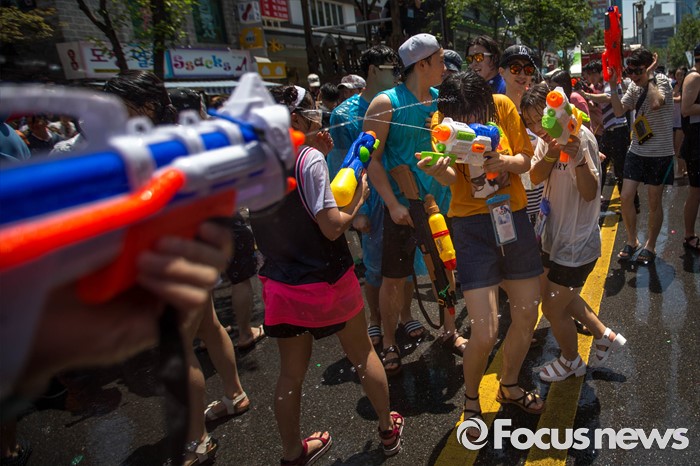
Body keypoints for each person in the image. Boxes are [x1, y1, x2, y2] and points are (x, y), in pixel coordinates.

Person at [251, 84, 404, 463]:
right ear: (294, 119)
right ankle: (387, 429)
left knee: (290, 375)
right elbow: (332, 226)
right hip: (328, 281)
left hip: (282, 284)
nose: (318, 114)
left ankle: (292, 452)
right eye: (310, 110)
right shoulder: (308, 160)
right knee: (362, 354)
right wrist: (359, 199)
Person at [416, 71, 545, 440]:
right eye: (461, 116)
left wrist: (503, 162)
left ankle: (509, 384)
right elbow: (447, 177)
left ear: (486, 103)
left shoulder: (503, 107)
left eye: (475, 113)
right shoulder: (441, 122)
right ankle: (471, 399)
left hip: (512, 217)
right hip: (471, 228)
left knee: (526, 313)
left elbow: (525, 160)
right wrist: (437, 170)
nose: (469, 121)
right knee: (485, 331)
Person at [364, 33, 467, 376]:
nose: (444, 67)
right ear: (422, 64)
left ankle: (450, 331)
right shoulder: (386, 103)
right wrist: (392, 204)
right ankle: (389, 342)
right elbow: (371, 159)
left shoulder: (442, 101)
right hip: (402, 206)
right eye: (440, 61)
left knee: (446, 269)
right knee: (394, 278)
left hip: (440, 203)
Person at [521, 83, 627, 382]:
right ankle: (602, 334)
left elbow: (591, 193)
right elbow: (535, 176)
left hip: (576, 243)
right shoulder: (547, 139)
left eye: (539, 119)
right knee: (556, 297)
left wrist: (578, 158)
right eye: (530, 122)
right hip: (549, 235)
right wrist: (551, 153)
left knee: (553, 307)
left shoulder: (582, 137)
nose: (536, 128)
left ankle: (571, 362)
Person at [608, 48, 674, 265]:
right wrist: (613, 86)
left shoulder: (661, 81)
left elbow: (655, 103)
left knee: (654, 201)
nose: (634, 76)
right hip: (637, 150)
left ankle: (650, 245)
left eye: (639, 71)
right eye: (630, 71)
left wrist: (651, 76)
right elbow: (619, 111)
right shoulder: (633, 87)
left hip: (660, 153)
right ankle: (632, 240)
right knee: (626, 196)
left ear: (649, 68)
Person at [581, 61, 635, 204]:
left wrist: (586, 95)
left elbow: (608, 97)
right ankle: (596, 198)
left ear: (600, 72)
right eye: (588, 75)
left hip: (618, 130)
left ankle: (631, 202)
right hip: (609, 131)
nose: (590, 78)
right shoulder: (599, 86)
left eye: (592, 74)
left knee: (620, 168)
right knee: (601, 164)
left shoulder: (610, 83)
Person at [680, 43, 700, 252]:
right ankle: (689, 234)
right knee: (695, 191)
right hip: (696, 144)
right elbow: (686, 108)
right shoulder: (694, 77)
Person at [673, 67, 688, 179]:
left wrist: (668, 98)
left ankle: (680, 170)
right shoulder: (673, 85)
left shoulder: (686, 86)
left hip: (681, 121)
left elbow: (679, 99)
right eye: (677, 74)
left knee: (678, 148)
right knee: (674, 148)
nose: (678, 77)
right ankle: (684, 168)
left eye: (681, 75)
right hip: (672, 121)